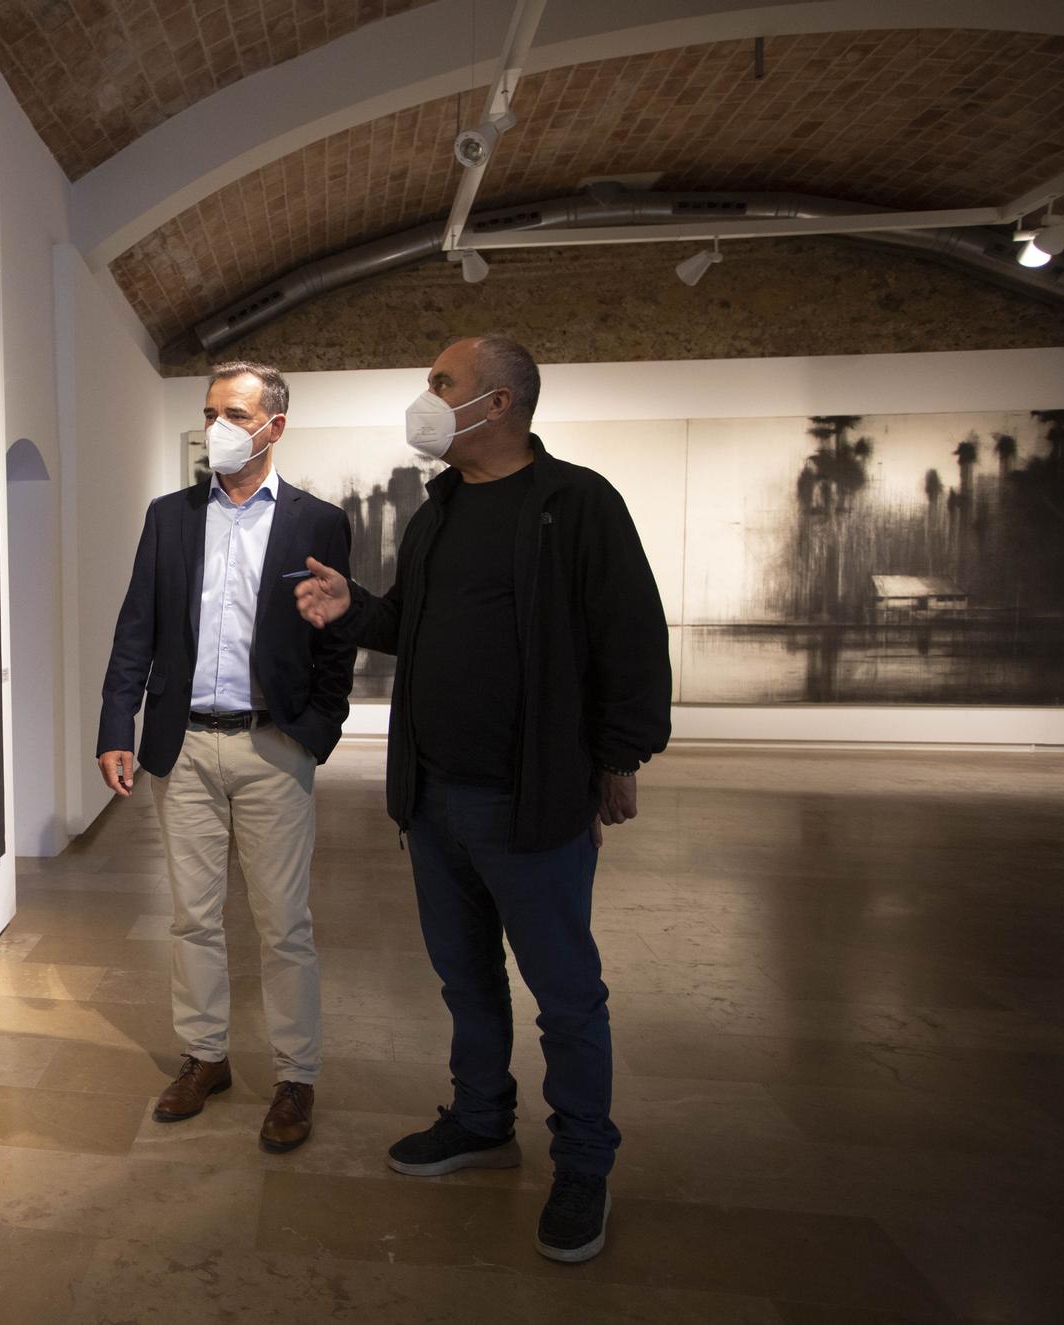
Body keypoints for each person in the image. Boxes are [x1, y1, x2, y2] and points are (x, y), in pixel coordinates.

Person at [295, 334, 670, 1262]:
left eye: (442, 383)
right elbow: (416, 627)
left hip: (529, 800)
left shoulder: (576, 504)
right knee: (464, 979)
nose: (426, 398)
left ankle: (583, 1161)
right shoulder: (441, 508)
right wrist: (358, 607)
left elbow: (631, 635)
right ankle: (481, 1121)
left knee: (567, 994)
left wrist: (622, 753)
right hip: (433, 798)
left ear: (497, 404)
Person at [98, 360, 357, 1152]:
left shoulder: (318, 521)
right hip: (184, 745)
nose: (218, 426)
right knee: (193, 916)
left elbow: (335, 640)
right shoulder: (170, 516)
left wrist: (313, 732)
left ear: (274, 425)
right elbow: (136, 624)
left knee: (284, 925)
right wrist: (118, 725)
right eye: (211, 410)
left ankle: (294, 1076)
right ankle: (206, 1056)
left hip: (271, 745)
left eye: (235, 413)